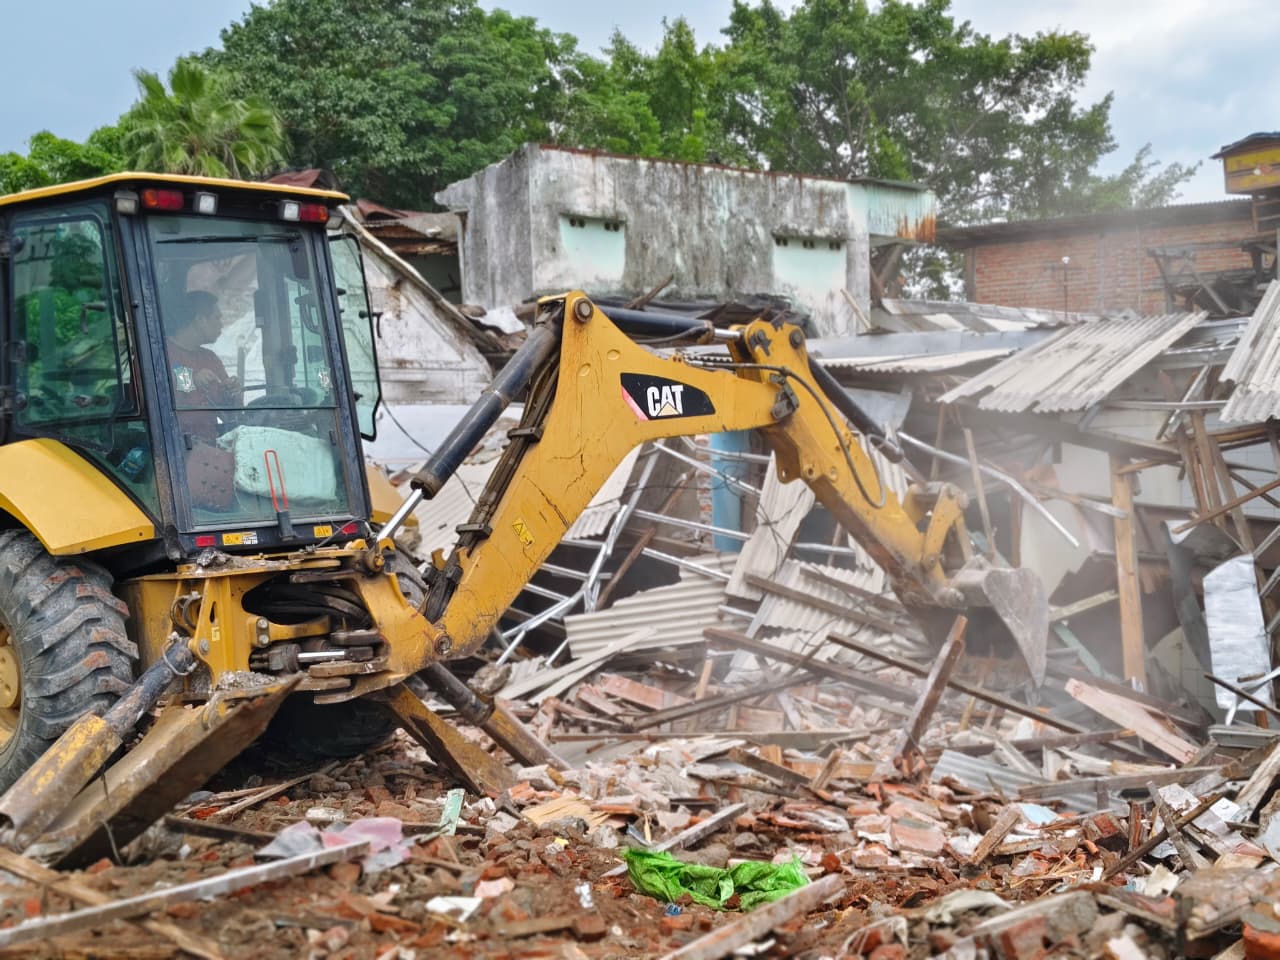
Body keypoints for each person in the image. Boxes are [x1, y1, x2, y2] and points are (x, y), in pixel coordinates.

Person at [166, 291, 240, 441]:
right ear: (200, 319)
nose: (221, 324)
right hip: (174, 446)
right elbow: (163, 392)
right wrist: (194, 379)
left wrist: (231, 392)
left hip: (210, 446)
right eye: (216, 317)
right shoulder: (161, 352)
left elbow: (230, 416)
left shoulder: (210, 359)